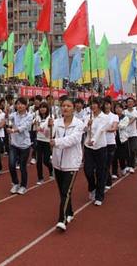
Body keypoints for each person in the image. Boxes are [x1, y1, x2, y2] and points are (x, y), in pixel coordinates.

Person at [50, 98, 85, 231]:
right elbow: (46, 134)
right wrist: (48, 126)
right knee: (63, 191)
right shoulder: (56, 122)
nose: (65, 108)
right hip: (58, 162)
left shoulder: (79, 124)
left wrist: (57, 142)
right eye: (63, 105)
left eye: (68, 106)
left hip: (71, 162)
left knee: (66, 191)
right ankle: (69, 212)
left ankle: (62, 219)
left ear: (73, 108)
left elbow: (74, 139)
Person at [83, 97, 109, 206]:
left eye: (95, 103)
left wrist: (93, 140)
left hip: (100, 147)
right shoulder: (88, 116)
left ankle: (99, 196)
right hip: (88, 147)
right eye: (91, 104)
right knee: (87, 170)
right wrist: (87, 125)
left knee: (100, 172)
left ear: (99, 104)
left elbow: (100, 131)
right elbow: (83, 129)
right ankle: (92, 187)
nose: (93, 106)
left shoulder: (104, 117)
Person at [7, 97, 34, 195]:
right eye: (17, 104)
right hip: (14, 144)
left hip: (24, 145)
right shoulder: (13, 115)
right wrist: (6, 114)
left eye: (22, 104)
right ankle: (15, 183)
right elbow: (6, 119)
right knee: (11, 164)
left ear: (26, 105)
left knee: (22, 167)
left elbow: (24, 127)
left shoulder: (29, 116)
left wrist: (13, 130)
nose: (19, 106)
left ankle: (23, 186)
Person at [35, 102, 52, 184]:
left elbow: (46, 124)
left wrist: (40, 127)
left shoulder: (50, 116)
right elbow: (34, 123)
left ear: (47, 108)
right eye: (41, 107)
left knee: (46, 160)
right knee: (38, 160)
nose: (42, 109)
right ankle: (40, 178)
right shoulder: (37, 116)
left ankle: (51, 169)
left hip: (47, 141)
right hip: (39, 140)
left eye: (44, 107)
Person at [103, 98, 119, 189]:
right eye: (105, 104)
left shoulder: (114, 116)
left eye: (108, 104)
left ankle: (106, 181)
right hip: (101, 142)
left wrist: (103, 129)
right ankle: (106, 181)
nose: (106, 106)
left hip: (110, 142)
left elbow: (114, 128)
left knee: (107, 163)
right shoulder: (100, 116)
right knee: (102, 164)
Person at [112, 103, 130, 179]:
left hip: (122, 139)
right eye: (116, 108)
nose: (118, 109)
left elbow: (123, 126)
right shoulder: (113, 117)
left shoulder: (125, 117)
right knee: (114, 156)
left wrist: (115, 125)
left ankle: (123, 168)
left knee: (122, 156)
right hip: (114, 139)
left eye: (120, 108)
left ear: (122, 109)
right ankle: (114, 172)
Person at [123, 97, 137, 173]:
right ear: (126, 103)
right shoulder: (124, 112)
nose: (130, 103)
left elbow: (133, 120)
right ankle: (127, 165)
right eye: (128, 102)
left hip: (133, 133)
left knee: (133, 150)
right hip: (125, 134)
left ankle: (132, 166)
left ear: (134, 103)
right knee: (126, 150)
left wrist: (125, 123)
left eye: (131, 102)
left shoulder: (136, 111)